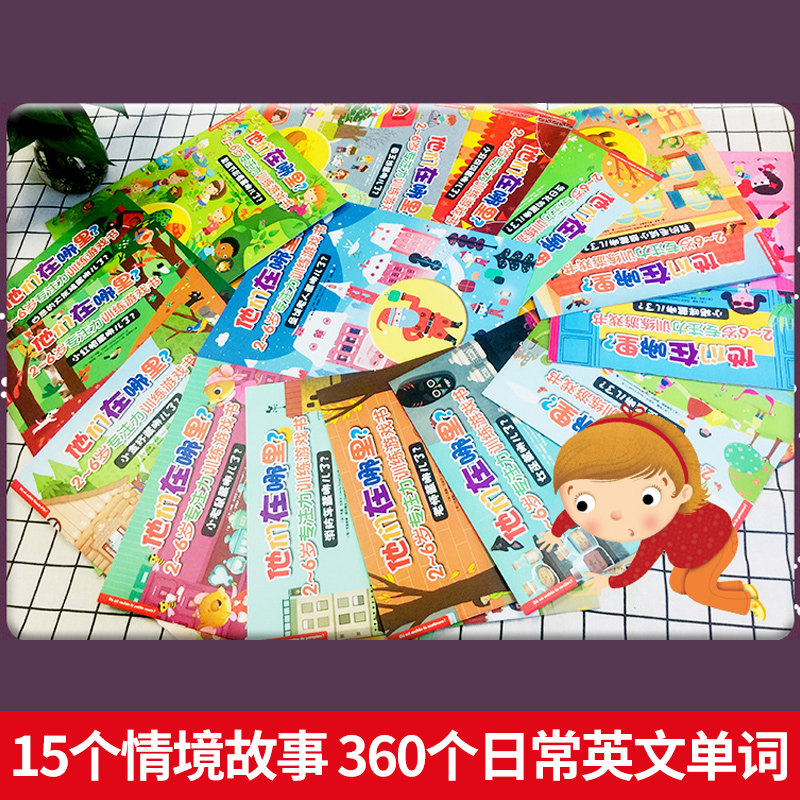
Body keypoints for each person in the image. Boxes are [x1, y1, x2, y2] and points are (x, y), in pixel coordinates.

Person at [538, 405, 766, 619]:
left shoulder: (658, 530)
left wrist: (608, 582)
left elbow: (637, 569)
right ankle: (741, 588)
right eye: (586, 502)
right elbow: (575, 512)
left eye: (648, 498)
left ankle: (746, 603)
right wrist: (556, 533)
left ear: (684, 492)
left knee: (698, 591)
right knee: (678, 586)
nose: (615, 515)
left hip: (719, 541)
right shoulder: (649, 522)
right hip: (689, 552)